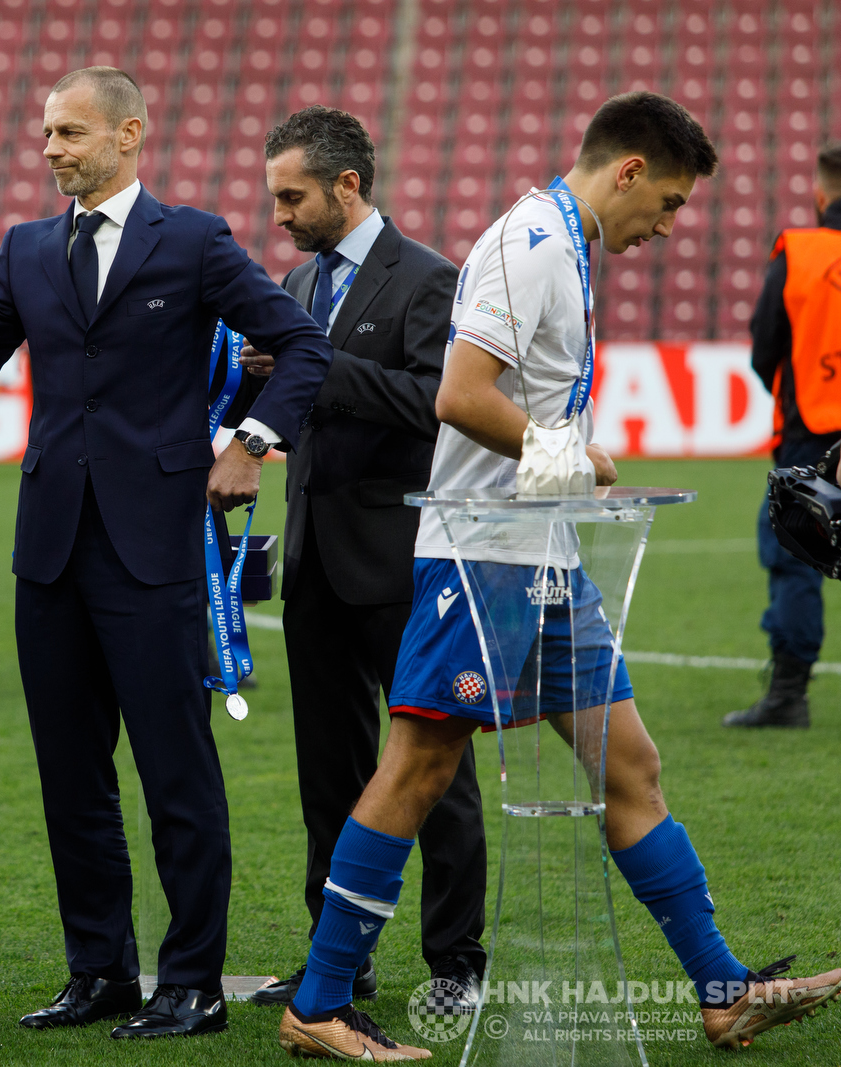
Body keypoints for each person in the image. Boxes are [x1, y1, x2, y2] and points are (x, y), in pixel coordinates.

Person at [277, 92, 841, 1061]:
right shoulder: (528, 241)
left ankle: (721, 989)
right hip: (482, 552)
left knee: (632, 765)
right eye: (665, 203)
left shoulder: (567, 245)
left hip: (544, 553)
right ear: (626, 170)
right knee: (415, 768)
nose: (665, 228)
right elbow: (459, 396)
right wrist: (573, 457)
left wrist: (566, 464)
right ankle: (320, 1003)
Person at [0, 66, 334, 1041]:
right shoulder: (27, 248)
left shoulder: (196, 240)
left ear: (129, 134)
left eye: (70, 133)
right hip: (48, 548)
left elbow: (301, 344)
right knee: (70, 773)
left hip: (156, 547)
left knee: (176, 771)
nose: (51, 149)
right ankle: (100, 971)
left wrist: (250, 442)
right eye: (46, 133)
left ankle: (193, 982)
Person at [232, 106, 488, 1010]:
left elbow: (439, 402)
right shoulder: (297, 283)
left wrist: (317, 368)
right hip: (315, 564)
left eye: (292, 195)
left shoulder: (430, 279)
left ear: (348, 185)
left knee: (435, 770)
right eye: (275, 197)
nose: (281, 215)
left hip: (404, 559)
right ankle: (338, 956)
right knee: (327, 774)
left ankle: (457, 961)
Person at [728, 143, 841, 729]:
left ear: (821, 195)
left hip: (815, 433)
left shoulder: (799, 252)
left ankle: (789, 694)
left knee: (796, 555)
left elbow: (764, 346)